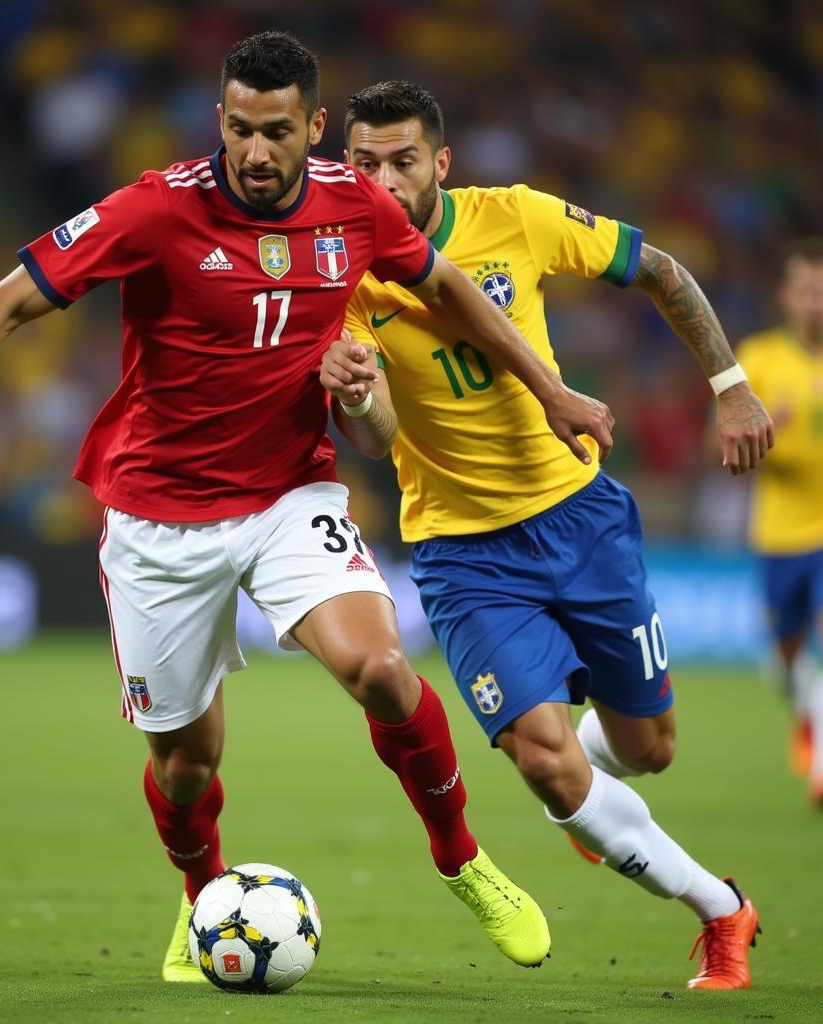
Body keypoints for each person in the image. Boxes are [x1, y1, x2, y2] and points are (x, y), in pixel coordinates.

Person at [0, 33, 618, 980]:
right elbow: (5, 300)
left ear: (313, 128)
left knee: (379, 667)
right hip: (159, 519)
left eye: (276, 132)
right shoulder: (156, 211)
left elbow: (446, 284)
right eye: (238, 128)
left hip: (290, 492)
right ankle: (203, 896)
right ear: (220, 120)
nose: (254, 151)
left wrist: (550, 389)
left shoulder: (355, 203)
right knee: (187, 764)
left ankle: (463, 858)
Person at [324, 80, 774, 991]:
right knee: (543, 762)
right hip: (462, 552)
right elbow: (369, 438)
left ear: (440, 165)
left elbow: (662, 271)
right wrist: (360, 393)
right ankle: (722, 911)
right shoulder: (340, 275)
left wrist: (730, 384)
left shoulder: (518, 219)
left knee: (649, 751)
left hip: (581, 519)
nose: (381, 179)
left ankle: (599, 775)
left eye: (402, 161)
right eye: (362, 162)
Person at [733, 238, 823, 805]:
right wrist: (762, 429)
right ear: (786, 297)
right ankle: (805, 712)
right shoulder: (759, 358)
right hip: (777, 536)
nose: (817, 303)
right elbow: (714, 449)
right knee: (786, 657)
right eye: (808, 291)